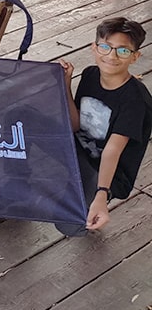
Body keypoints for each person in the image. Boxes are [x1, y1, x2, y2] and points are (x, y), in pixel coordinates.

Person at [57, 18, 152, 233]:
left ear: (135, 56)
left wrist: (101, 194)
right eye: (105, 47)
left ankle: (93, 192)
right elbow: (76, 125)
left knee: (70, 225)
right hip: (80, 150)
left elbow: (112, 150)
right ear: (94, 47)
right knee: (21, 117)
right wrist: (66, 84)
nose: (111, 56)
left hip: (107, 171)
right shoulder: (90, 74)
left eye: (123, 51)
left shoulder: (136, 100)